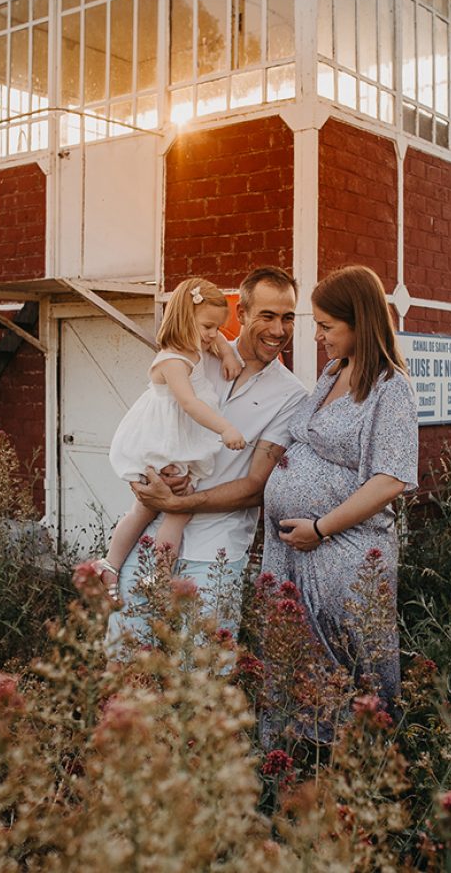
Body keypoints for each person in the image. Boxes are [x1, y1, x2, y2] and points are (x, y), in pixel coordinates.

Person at [105, 266, 308, 643]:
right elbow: (151, 429)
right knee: (126, 654)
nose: (279, 330)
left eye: (288, 318)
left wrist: (180, 502)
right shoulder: (194, 355)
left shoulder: (292, 395)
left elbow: (254, 487)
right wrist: (157, 481)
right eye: (267, 315)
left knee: (202, 674)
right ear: (242, 313)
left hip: (216, 554)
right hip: (152, 539)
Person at [262, 265, 418, 707]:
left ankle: (354, 763)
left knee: (348, 669)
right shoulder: (333, 372)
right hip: (293, 547)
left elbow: (390, 479)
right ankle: (295, 761)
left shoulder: (391, 389)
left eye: (327, 326)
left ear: (360, 323)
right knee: (293, 659)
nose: (318, 336)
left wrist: (322, 526)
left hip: (341, 550)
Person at [93, 278, 247, 597]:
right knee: (165, 509)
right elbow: (189, 404)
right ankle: (138, 570)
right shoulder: (172, 361)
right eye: (207, 327)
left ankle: (124, 568)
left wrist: (228, 355)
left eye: (216, 328)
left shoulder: (197, 345)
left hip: (174, 444)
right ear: (183, 318)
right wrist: (225, 428)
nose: (212, 335)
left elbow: (217, 341)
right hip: (162, 446)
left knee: (159, 510)